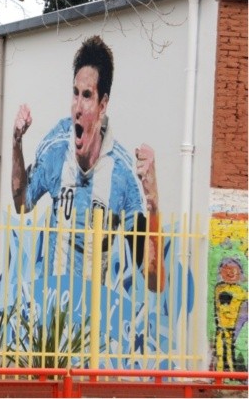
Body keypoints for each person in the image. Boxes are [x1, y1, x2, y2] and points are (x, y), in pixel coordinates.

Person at [10, 35, 165, 292]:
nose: (78, 107)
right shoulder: (56, 148)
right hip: (52, 311)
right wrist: (16, 142)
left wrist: (154, 204)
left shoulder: (122, 174)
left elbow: (154, 282)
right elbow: (21, 203)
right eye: (75, 93)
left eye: (87, 96)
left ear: (102, 104)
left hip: (94, 314)